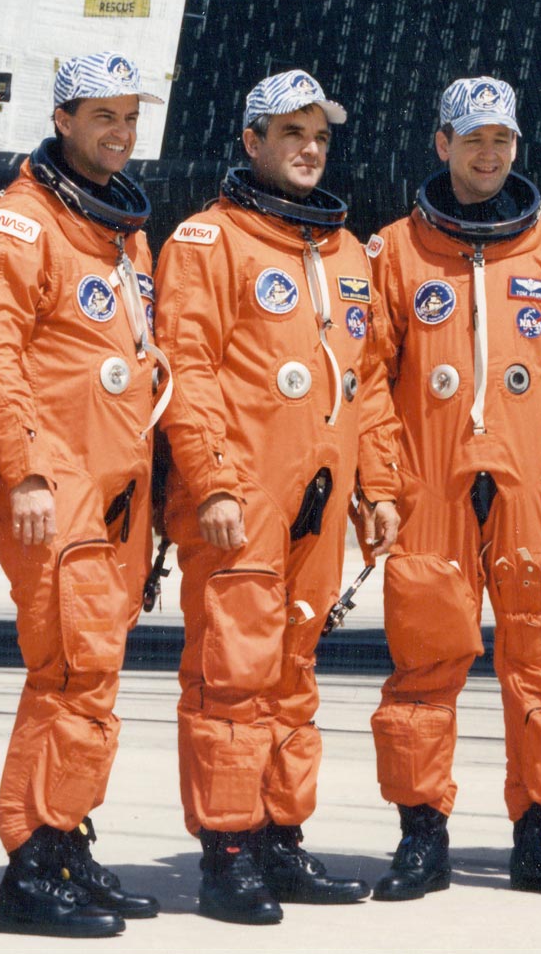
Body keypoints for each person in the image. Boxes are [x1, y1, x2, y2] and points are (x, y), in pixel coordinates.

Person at [153, 71, 401, 922]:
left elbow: (364, 387)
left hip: (322, 501)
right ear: (251, 141)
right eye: (290, 134)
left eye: (320, 137)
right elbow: (187, 373)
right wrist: (212, 482)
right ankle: (227, 850)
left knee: (293, 674)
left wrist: (380, 487)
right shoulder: (206, 242)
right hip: (243, 497)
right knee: (232, 673)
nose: (308, 150)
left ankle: (280, 837)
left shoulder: (345, 252)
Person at [365, 76, 541, 900]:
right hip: (429, 484)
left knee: (539, 661)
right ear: (441, 143)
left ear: (517, 146)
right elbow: (369, 378)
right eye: (472, 138)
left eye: (501, 140)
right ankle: (421, 835)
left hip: (531, 483)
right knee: (424, 662)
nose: (488, 153)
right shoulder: (394, 249)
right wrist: (380, 483)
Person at [0, 53, 168, 937]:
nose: (119, 132)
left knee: (95, 675)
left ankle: (68, 834)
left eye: (129, 116)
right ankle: (31, 864)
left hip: (117, 493)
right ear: (62, 118)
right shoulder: (21, 222)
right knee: (67, 673)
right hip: (58, 490)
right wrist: (27, 472)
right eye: (103, 116)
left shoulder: (124, 231)